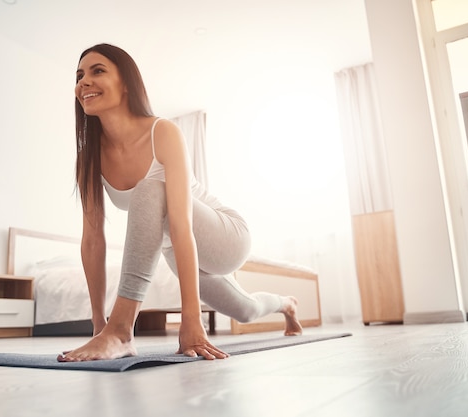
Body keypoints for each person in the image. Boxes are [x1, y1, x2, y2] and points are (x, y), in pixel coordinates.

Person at [58, 43, 302, 362]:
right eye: (79, 75)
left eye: (97, 71)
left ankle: (122, 330)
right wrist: (96, 324)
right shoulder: (88, 158)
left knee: (150, 189)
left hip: (224, 234)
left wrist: (192, 319)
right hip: (174, 246)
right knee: (245, 310)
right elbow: (92, 241)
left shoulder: (163, 131)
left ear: (127, 83)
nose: (83, 82)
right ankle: (287, 304)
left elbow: (181, 225)